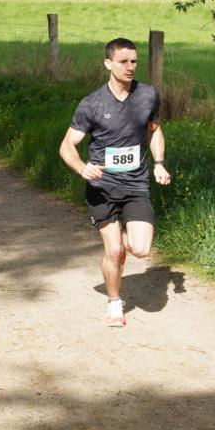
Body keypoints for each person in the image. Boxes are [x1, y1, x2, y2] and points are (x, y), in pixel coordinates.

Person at [59, 37, 171, 326]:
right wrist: (82, 168)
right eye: (123, 61)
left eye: (134, 61)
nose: (130, 67)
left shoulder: (148, 95)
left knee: (141, 249)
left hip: (135, 185)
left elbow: (154, 130)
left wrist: (159, 163)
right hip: (102, 188)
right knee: (114, 250)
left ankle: (122, 241)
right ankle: (114, 303)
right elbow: (67, 146)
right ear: (108, 63)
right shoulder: (92, 104)